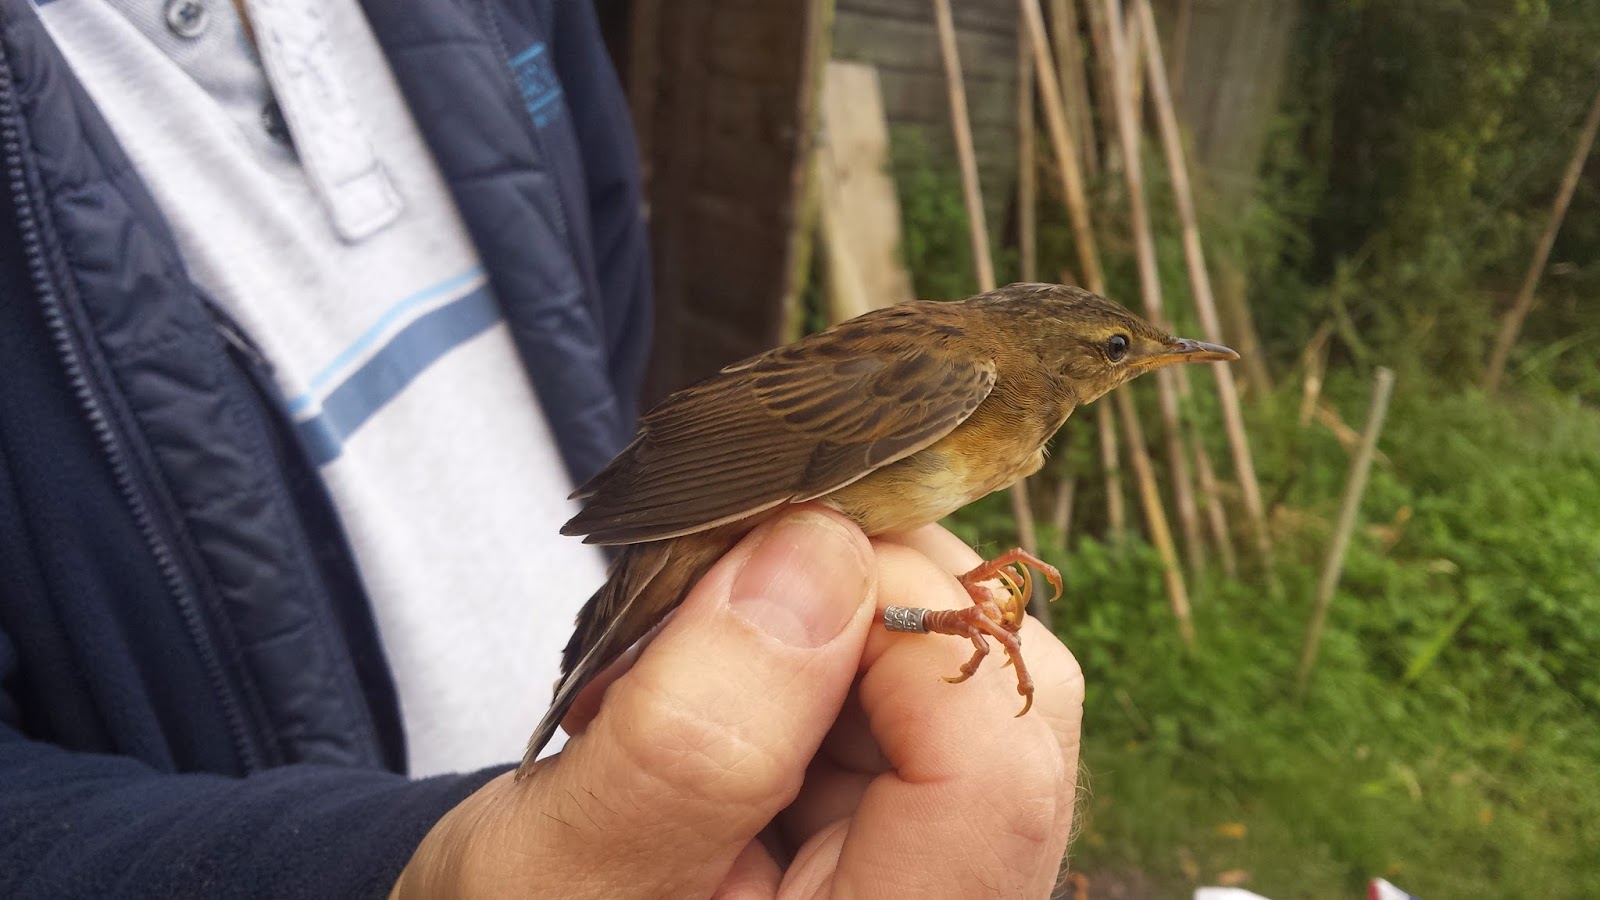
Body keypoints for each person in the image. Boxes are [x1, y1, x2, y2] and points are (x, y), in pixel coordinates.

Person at [0, 0, 1083, 896]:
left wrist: (894, 633)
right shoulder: (954, 374)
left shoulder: (515, 21)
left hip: (721, 782)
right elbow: (760, 467)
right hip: (313, 822)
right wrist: (394, 872)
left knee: (826, 590)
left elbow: (617, 344)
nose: (1139, 362)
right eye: (1118, 352)